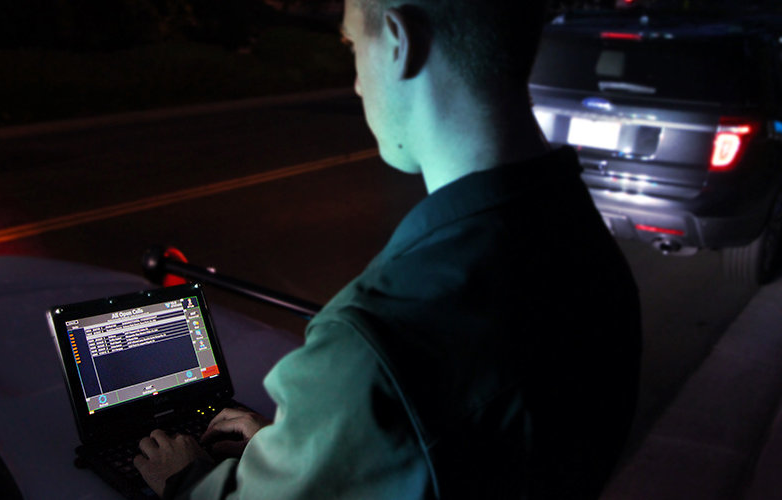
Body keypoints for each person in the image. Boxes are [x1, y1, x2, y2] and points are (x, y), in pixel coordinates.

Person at [133, 0, 642, 498]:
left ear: (400, 41)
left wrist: (187, 481)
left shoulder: (372, 340)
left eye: (352, 43)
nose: (355, 82)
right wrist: (312, 447)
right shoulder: (585, 245)